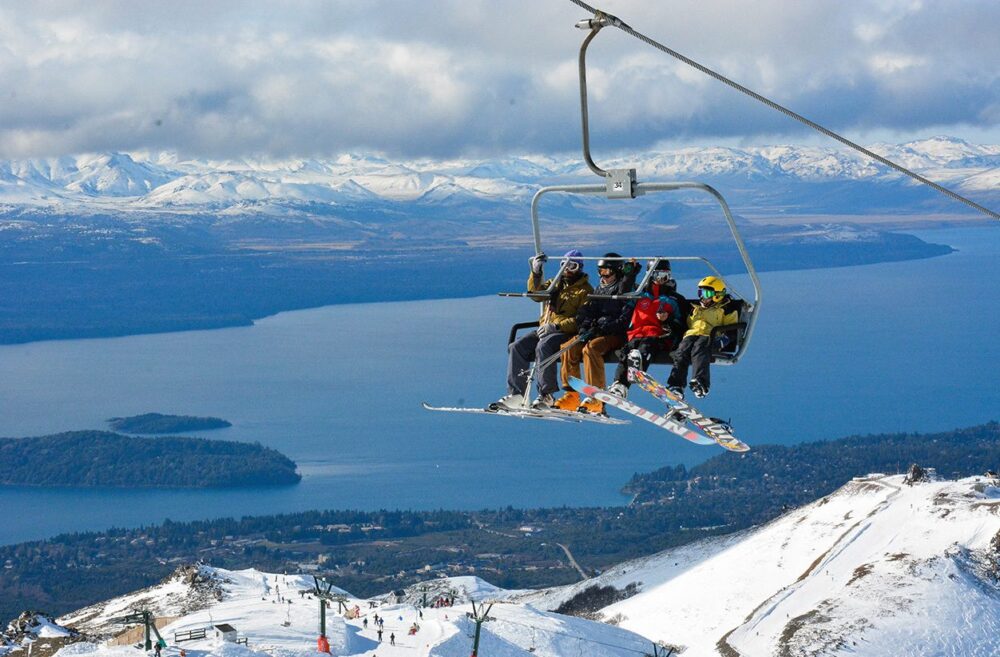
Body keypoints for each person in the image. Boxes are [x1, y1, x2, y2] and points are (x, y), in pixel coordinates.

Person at [492, 249, 592, 410]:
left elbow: (581, 320)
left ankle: (546, 394)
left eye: (572, 266)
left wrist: (556, 326)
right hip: (545, 328)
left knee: (544, 346)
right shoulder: (555, 283)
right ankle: (517, 394)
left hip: (566, 332)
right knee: (517, 346)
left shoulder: (585, 291)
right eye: (564, 265)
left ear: (579, 267)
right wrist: (536, 272)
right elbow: (537, 295)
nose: (567, 269)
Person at [554, 252, 634, 414]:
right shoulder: (600, 289)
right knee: (569, 347)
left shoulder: (626, 289)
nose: (603, 276)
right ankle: (571, 394)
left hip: (616, 334)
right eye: (600, 272)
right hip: (597, 331)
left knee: (591, 349)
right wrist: (585, 327)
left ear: (617, 271)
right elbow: (588, 311)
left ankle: (596, 397)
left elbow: (626, 318)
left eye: (606, 272)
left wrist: (604, 327)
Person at [607, 260, 690, 399]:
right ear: (650, 275)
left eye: (666, 276)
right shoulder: (640, 294)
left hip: (659, 337)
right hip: (636, 334)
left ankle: (636, 373)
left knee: (645, 348)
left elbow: (682, 324)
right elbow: (624, 295)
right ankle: (620, 385)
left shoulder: (674, 299)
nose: (662, 279)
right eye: (658, 275)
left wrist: (667, 319)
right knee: (627, 351)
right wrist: (630, 273)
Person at [667, 275, 739, 398]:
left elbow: (732, 329)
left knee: (700, 349)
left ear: (717, 295)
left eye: (706, 293)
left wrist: (723, 340)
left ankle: (701, 382)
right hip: (692, 334)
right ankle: (676, 385)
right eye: (700, 292)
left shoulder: (726, 308)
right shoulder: (696, 308)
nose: (702, 296)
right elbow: (687, 323)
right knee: (681, 351)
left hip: (710, 336)